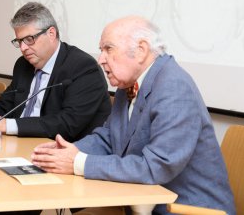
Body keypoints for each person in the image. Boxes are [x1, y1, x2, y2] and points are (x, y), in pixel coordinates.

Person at [31, 16, 235, 214]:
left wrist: (77, 162)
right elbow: (108, 137)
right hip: (141, 203)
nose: (100, 59)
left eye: (108, 49)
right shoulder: (128, 83)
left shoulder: (174, 87)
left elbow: (156, 167)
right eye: (101, 50)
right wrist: (66, 152)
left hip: (186, 210)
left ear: (141, 50)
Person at [0, 2, 112, 142]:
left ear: (51, 33)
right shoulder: (23, 65)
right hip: (22, 144)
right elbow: (5, 105)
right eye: (19, 41)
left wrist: (7, 125)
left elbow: (67, 123)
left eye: (29, 39)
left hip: (62, 152)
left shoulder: (83, 67)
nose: (23, 48)